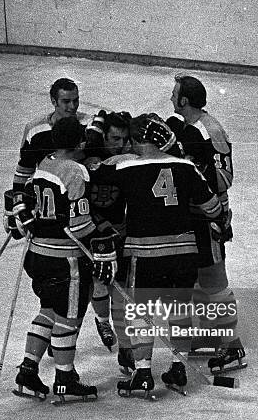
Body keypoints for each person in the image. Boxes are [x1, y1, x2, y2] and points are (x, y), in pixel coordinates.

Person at [90, 114, 224, 397]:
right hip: (184, 252)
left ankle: (142, 372)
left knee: (141, 311)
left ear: (137, 140)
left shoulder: (124, 166)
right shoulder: (186, 167)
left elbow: (91, 175)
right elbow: (213, 208)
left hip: (144, 252)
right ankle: (178, 367)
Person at [7, 117, 118, 403]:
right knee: (69, 318)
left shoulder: (44, 164)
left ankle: (28, 371)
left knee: (48, 312)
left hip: (37, 256)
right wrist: (103, 241)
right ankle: (65, 379)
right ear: (79, 142)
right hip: (64, 259)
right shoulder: (74, 171)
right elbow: (80, 225)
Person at [166, 74, 247, 374]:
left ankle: (233, 347)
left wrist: (193, 177)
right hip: (196, 215)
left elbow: (224, 178)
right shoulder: (190, 127)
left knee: (214, 279)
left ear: (185, 100)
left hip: (208, 217)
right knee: (200, 276)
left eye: (174, 94)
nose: (171, 98)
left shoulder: (206, 131)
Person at [83, 111, 132, 356]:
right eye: (114, 139)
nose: (119, 144)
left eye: (123, 139)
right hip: (93, 230)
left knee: (121, 284)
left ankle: (123, 340)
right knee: (98, 282)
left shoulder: (128, 157)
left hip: (119, 229)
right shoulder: (87, 158)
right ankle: (102, 322)